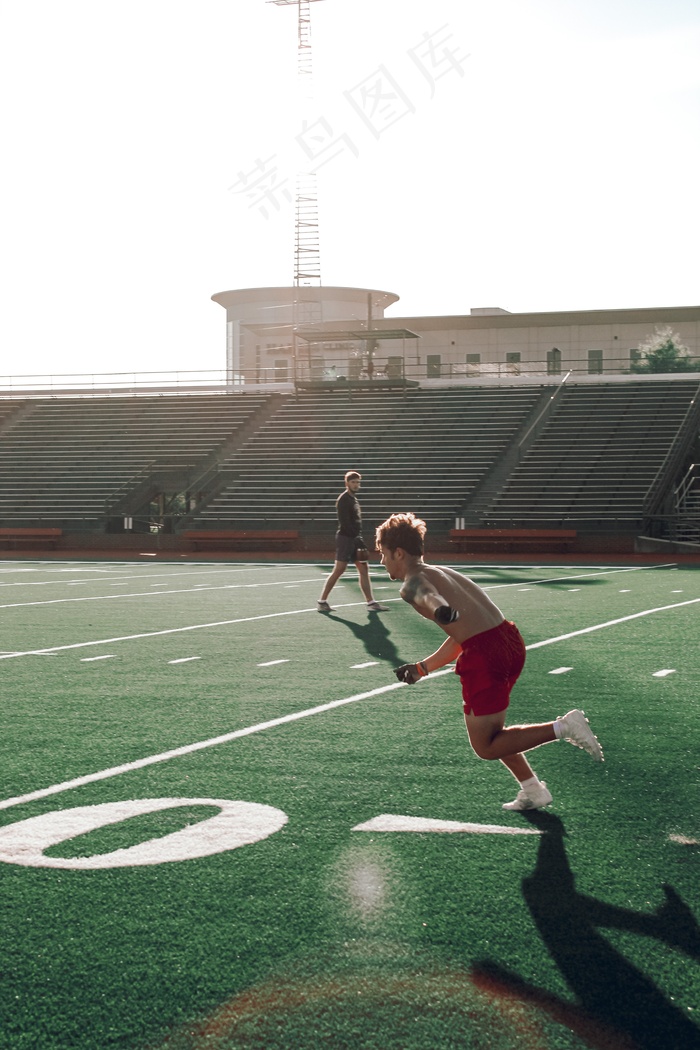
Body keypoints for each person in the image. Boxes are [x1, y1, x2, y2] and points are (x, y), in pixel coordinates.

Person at [374, 511, 603, 811]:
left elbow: (428, 597)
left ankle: (563, 727)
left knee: (485, 745)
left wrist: (440, 609)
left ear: (399, 552)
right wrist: (422, 668)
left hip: (486, 654)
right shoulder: (442, 571)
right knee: (494, 731)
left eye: (383, 554)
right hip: (507, 640)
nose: (381, 561)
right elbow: (462, 635)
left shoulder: (412, 583)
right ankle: (533, 790)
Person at [318, 471, 388, 613]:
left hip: (355, 537)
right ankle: (322, 601)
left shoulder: (353, 499)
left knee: (364, 569)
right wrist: (355, 538)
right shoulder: (343, 499)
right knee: (339, 570)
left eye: (357, 482)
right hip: (346, 538)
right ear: (347, 483)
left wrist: (358, 538)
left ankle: (371, 603)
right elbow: (344, 523)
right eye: (353, 482)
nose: (356, 485)